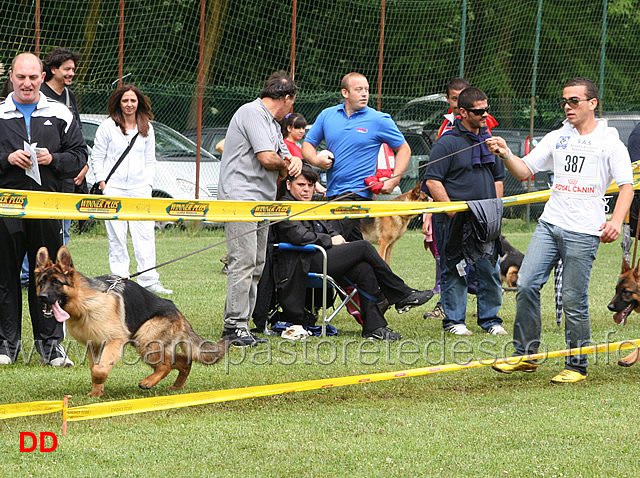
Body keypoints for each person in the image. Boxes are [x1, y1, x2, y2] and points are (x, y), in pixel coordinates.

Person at [487, 77, 634, 383]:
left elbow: (627, 187)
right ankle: (526, 355)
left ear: (592, 103)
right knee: (525, 284)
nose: (567, 106)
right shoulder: (557, 137)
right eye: (564, 101)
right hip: (549, 225)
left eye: (574, 101)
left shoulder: (610, 142)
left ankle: (576, 365)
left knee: (572, 298)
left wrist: (616, 222)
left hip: (583, 231)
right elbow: (525, 170)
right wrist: (506, 153)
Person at [272, 165, 434, 340]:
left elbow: (330, 227)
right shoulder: (283, 207)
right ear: (288, 185)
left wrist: (336, 237)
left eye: (310, 186)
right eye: (301, 185)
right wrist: (329, 240)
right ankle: (401, 293)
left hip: (325, 256)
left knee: (364, 268)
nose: (306, 190)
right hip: (302, 262)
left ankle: (374, 327)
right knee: (363, 246)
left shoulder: (313, 206)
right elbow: (298, 236)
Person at [0, 52, 87, 366]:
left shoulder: (61, 113)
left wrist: (55, 159)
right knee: (5, 277)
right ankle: (6, 347)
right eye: (21, 77)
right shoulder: (0, 114)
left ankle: (51, 347)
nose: (27, 83)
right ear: (11, 77)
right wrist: (6, 160)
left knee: (50, 278)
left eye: (33, 77)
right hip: (6, 212)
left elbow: (79, 156)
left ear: (42, 77)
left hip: (48, 208)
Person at [217, 71, 302, 347]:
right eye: (292, 104)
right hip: (241, 199)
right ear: (287, 98)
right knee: (243, 261)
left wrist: (292, 162)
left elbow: (282, 162)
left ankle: (245, 324)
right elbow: (268, 158)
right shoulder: (251, 113)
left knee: (257, 263)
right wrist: (286, 163)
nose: (292, 110)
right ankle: (233, 327)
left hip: (263, 201)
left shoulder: (274, 125)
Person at [424, 86, 507, 336]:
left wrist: (495, 209)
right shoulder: (447, 143)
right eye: (479, 111)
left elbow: (499, 179)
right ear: (462, 112)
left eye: (487, 109)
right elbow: (432, 181)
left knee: (489, 270)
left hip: (485, 218)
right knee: (454, 269)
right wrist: (452, 212)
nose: (485, 115)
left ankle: (491, 320)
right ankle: (454, 321)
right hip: (454, 219)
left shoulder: (490, 141)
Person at [302, 72, 411, 241]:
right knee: (354, 246)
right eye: (359, 89)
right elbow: (308, 144)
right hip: (333, 192)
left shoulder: (379, 119)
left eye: (367, 89)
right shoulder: (327, 115)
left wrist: (394, 179)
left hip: (357, 193)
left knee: (332, 239)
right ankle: (376, 268)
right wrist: (316, 160)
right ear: (345, 93)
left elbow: (404, 149)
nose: (364, 93)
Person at [90, 85, 172, 295]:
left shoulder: (147, 127)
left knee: (144, 233)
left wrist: (147, 184)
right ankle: (119, 278)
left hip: (139, 189)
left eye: (132, 101)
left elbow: (150, 159)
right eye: (125, 101)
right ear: (119, 102)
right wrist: (103, 184)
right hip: (114, 188)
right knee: (116, 234)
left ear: (138, 103)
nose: (129, 105)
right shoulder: (108, 126)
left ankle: (149, 279)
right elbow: (97, 156)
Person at [41, 47, 88, 245]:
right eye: (67, 69)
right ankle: (29, 276)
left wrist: (83, 165)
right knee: (39, 229)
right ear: (53, 69)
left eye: (73, 69)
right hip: (43, 175)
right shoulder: (38, 94)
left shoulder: (70, 96)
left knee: (64, 230)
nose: (71, 74)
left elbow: (78, 135)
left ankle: (60, 273)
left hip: (67, 175)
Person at [280, 112, 326, 196]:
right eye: (298, 128)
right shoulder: (285, 145)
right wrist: (319, 188)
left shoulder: (298, 147)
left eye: (303, 128)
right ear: (289, 128)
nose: (301, 131)